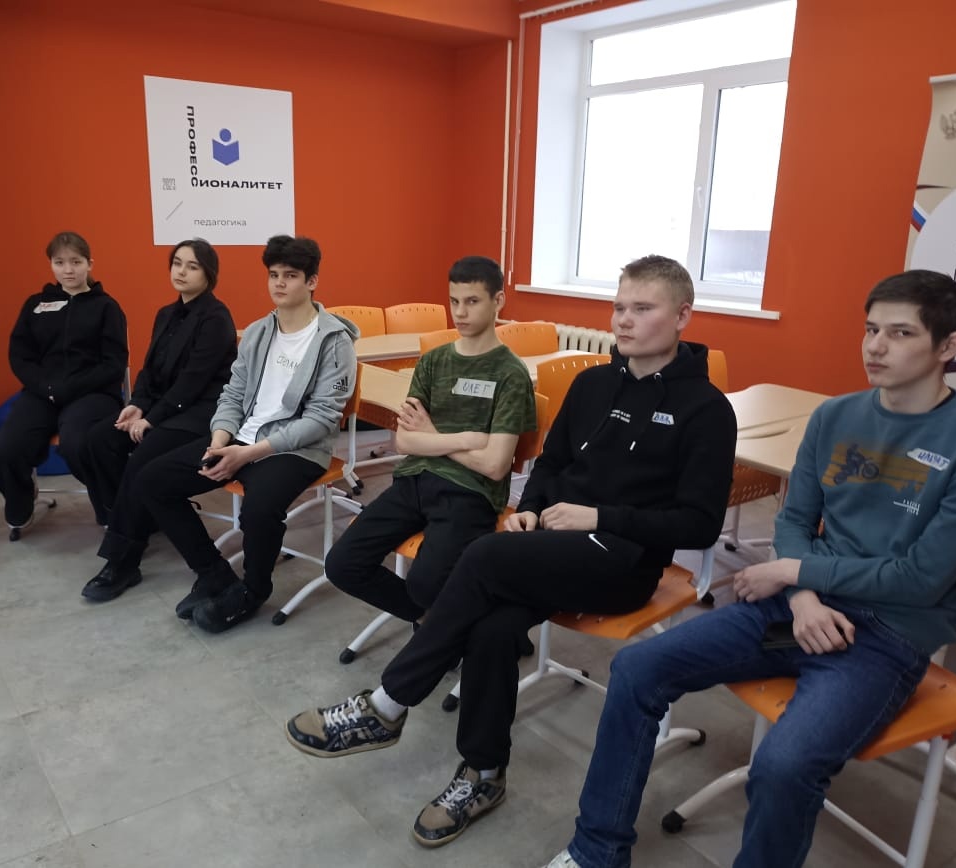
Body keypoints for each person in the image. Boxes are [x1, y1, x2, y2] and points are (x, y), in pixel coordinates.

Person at [539, 269, 956, 868]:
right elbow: (794, 520)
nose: (876, 347)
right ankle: (596, 851)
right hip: (795, 611)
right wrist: (800, 593)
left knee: (784, 765)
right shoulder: (835, 417)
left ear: (948, 346)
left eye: (901, 333)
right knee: (636, 668)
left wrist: (791, 574)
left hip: (885, 636)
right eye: (871, 329)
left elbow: (921, 578)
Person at [286, 254, 738, 848]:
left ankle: (387, 704)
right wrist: (532, 505)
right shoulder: (593, 384)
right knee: (490, 629)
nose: (623, 320)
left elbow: (700, 524)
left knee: (483, 557)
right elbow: (551, 463)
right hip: (553, 539)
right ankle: (484, 774)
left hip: (623, 560)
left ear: (682, 316)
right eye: (619, 307)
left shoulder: (707, 410)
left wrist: (599, 517)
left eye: (642, 309)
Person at [120, 234, 359, 632]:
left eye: (290, 275)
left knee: (259, 509)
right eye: (273, 275)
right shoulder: (259, 332)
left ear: (312, 281)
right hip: (239, 438)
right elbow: (232, 393)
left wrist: (248, 454)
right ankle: (213, 574)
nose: (279, 283)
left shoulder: (335, 342)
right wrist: (219, 441)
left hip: (297, 449)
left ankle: (253, 590)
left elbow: (321, 419)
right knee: (152, 480)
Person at [324, 255, 536, 625]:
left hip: (470, 492)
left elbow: (494, 465)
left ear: (498, 301)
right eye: (454, 301)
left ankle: (451, 622)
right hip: (414, 481)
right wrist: (465, 439)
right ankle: (432, 622)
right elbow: (405, 443)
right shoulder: (433, 361)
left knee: (425, 584)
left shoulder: (510, 374)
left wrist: (433, 436)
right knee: (341, 564)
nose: (461, 312)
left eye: (472, 301)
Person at [76, 238, 236, 602]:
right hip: (163, 408)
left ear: (208, 274)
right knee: (99, 439)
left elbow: (192, 383)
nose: (181, 272)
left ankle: (123, 561)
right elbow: (150, 372)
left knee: (143, 459)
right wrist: (137, 405)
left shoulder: (216, 318)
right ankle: (136, 519)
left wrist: (152, 419)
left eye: (192, 266)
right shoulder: (166, 314)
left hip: (201, 414)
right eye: (177, 263)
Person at [0, 231, 128, 529]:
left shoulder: (106, 307)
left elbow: (114, 364)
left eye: (76, 262)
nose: (68, 270)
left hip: (93, 394)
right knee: (5, 448)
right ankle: (21, 499)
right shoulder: (35, 305)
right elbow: (20, 357)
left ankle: (112, 507)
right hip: (43, 393)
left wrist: (69, 388)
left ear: (89, 264)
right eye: (60, 262)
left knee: (80, 445)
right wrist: (46, 387)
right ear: (51, 264)